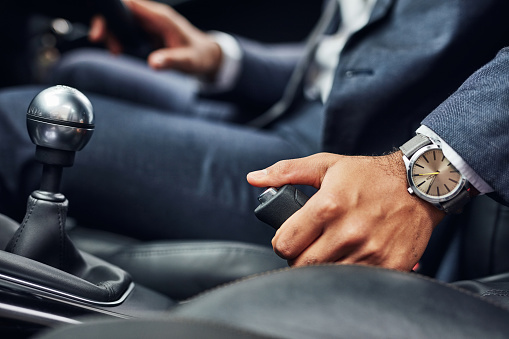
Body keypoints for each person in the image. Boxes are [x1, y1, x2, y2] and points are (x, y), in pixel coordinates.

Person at [0, 0, 508, 271]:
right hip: (310, 116)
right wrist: (220, 58)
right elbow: (350, 66)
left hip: (358, 166)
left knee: (12, 126)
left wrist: (424, 173)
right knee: (82, 69)